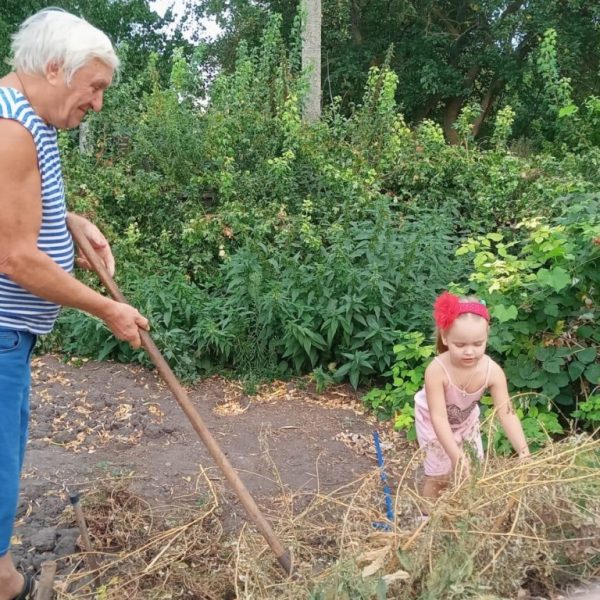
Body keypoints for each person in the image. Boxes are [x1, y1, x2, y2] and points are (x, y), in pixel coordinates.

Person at [0, 9, 149, 599]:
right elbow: (13, 257)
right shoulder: (10, 127)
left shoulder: (27, 118)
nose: (97, 102)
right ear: (56, 67)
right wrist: (105, 308)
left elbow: (16, 209)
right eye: (95, 86)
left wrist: (69, 224)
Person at [415, 291, 529, 500]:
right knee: (439, 474)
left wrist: (523, 450)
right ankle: (426, 519)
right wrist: (456, 457)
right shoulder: (437, 369)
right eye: (461, 345)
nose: (470, 352)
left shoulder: (492, 372)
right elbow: (438, 418)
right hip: (432, 421)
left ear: (487, 336)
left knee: (472, 470)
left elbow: (506, 413)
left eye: (478, 344)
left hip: (465, 421)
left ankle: (462, 512)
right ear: (445, 337)